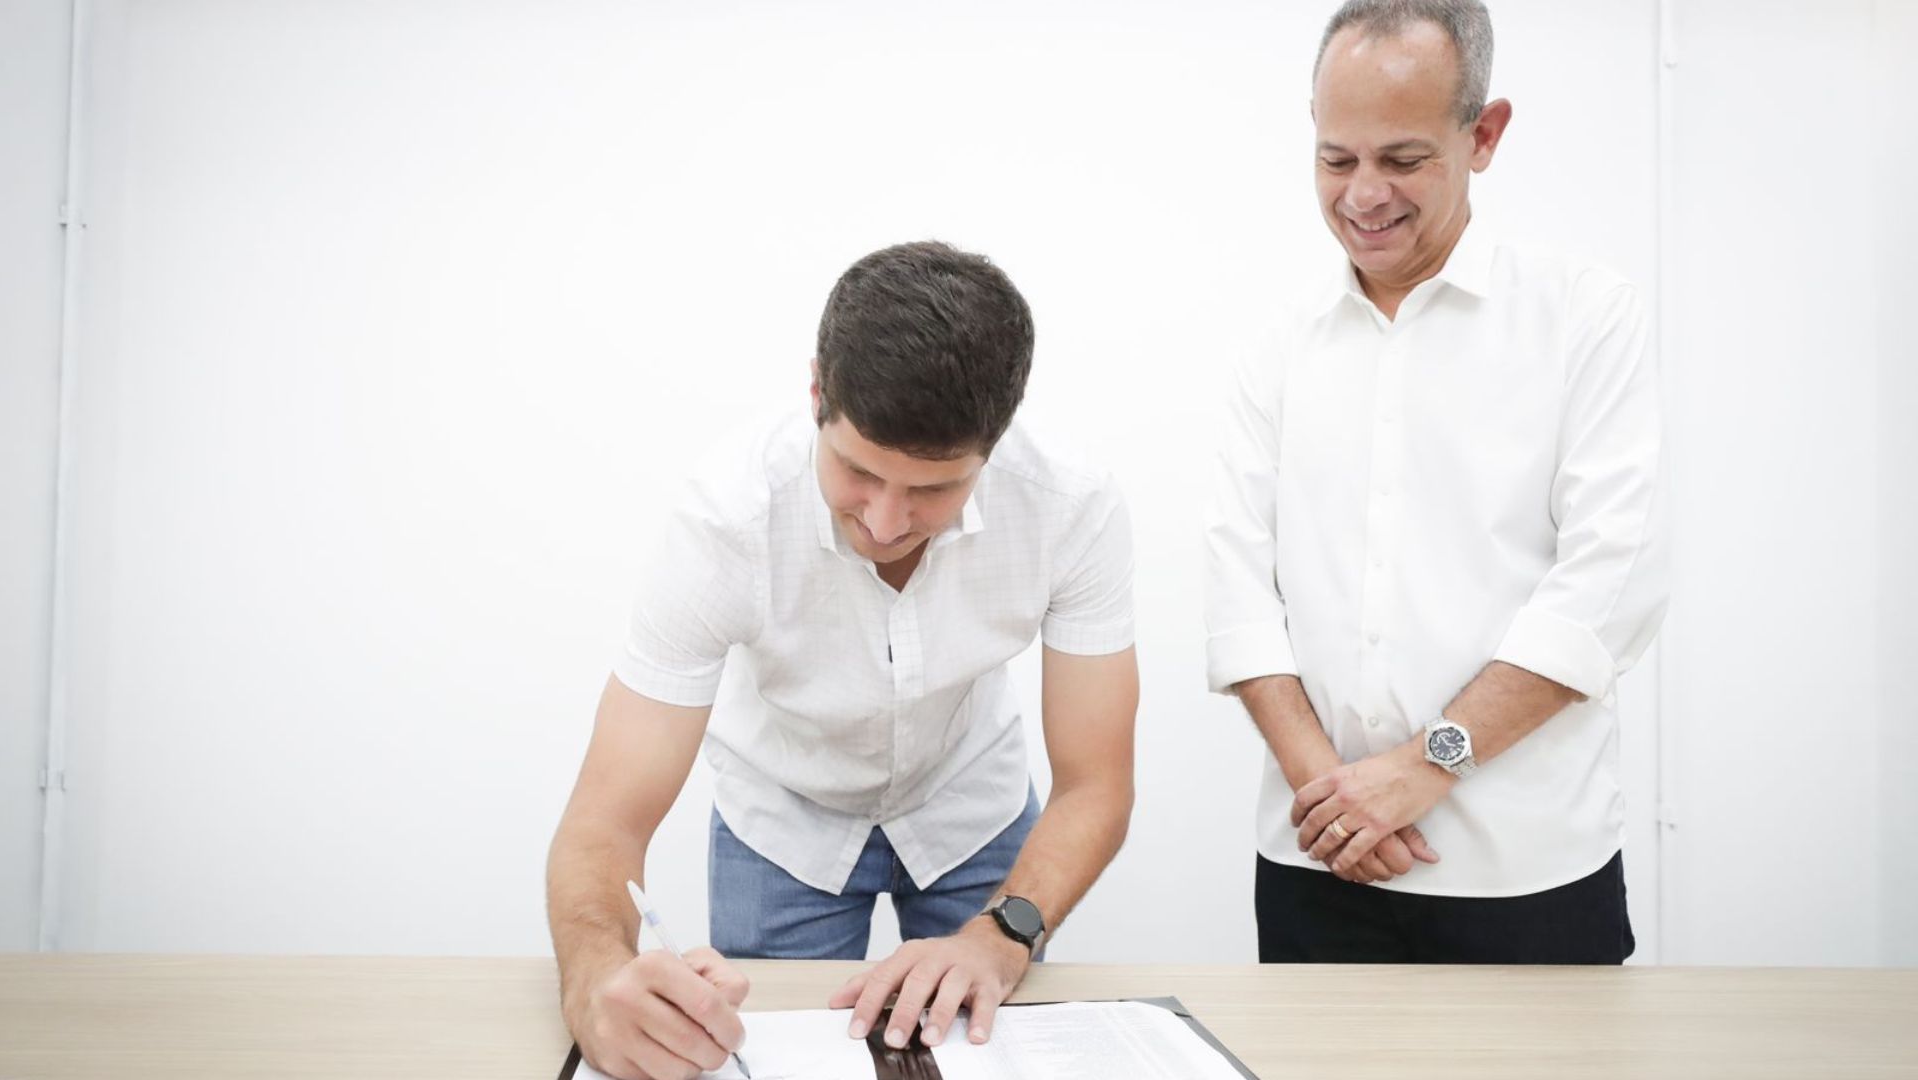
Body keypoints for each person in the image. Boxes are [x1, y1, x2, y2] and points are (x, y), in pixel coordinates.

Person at [548, 240, 1139, 1079]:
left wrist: (1002, 937)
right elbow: (605, 819)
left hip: (971, 802)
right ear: (818, 391)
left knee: (987, 1049)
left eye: (933, 488)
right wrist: (594, 979)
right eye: (859, 471)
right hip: (784, 820)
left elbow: (1098, 784)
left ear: (994, 443)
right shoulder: (725, 520)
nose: (889, 521)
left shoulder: (1071, 507)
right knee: (770, 1057)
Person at [1205, 0, 1667, 964]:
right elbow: (1238, 590)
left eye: (1403, 160)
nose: (1363, 194)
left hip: (1530, 871)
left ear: (1484, 134)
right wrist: (1335, 798)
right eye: (1337, 159)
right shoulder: (1277, 346)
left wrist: (1425, 766)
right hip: (1318, 861)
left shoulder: (1582, 317)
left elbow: (1611, 584)